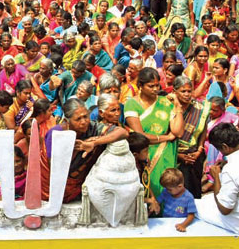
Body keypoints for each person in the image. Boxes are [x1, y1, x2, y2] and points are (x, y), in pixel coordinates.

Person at [41, 98, 128, 202]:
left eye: (86, 116)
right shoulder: (57, 134)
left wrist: (94, 143)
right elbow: (55, 169)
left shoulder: (92, 127)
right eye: (78, 119)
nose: (84, 122)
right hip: (51, 188)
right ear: (67, 120)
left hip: (76, 187)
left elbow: (123, 132)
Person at [124, 68, 186, 199]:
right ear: (140, 86)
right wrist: (166, 137)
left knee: (167, 186)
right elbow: (140, 136)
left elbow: (178, 132)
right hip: (145, 154)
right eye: (151, 86)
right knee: (149, 189)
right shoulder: (131, 104)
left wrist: (178, 107)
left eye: (157, 85)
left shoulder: (164, 102)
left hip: (165, 153)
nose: (155, 89)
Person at [197, 123, 239, 234]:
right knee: (207, 200)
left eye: (220, 149)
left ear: (225, 147)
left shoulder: (232, 169)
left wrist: (216, 178)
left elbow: (225, 209)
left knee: (194, 205)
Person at [156, 168, 196, 232]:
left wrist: (183, 225)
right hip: (166, 224)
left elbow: (191, 215)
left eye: (169, 189)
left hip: (179, 225)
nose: (167, 190)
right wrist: (155, 205)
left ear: (180, 186)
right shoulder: (166, 191)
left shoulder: (188, 197)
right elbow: (157, 201)